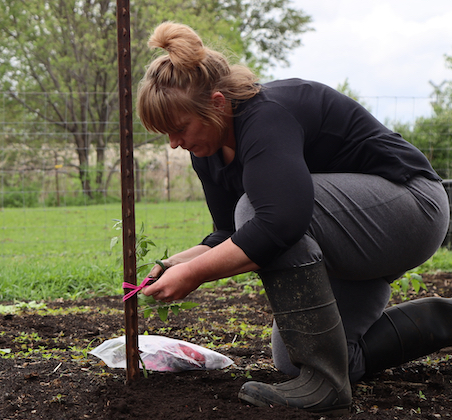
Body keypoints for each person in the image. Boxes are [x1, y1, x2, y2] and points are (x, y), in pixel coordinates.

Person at [135, 21, 452, 414]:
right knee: (297, 359)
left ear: (217, 103)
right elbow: (229, 234)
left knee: (260, 208)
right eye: (166, 134)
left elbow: (278, 223)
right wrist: (173, 265)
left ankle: (327, 387)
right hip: (352, 234)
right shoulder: (208, 153)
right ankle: (444, 320)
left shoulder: (267, 116)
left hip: (412, 206)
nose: (174, 143)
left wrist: (196, 274)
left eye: (180, 128)